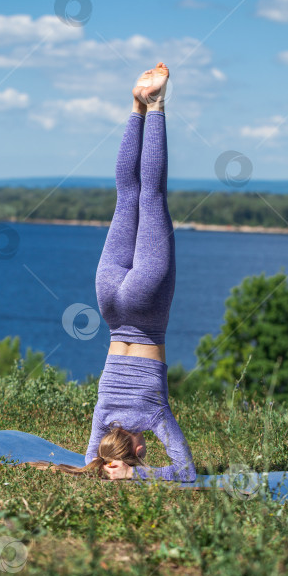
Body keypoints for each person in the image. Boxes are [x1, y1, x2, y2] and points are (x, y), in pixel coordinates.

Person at [31, 63, 196, 483]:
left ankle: (155, 103)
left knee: (150, 196)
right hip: (110, 300)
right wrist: (105, 469)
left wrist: (135, 476)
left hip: (144, 302)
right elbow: (91, 464)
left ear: (137, 450)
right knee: (125, 197)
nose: (146, 451)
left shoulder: (153, 413)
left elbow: (185, 471)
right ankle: (136, 105)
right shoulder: (102, 415)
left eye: (142, 455)